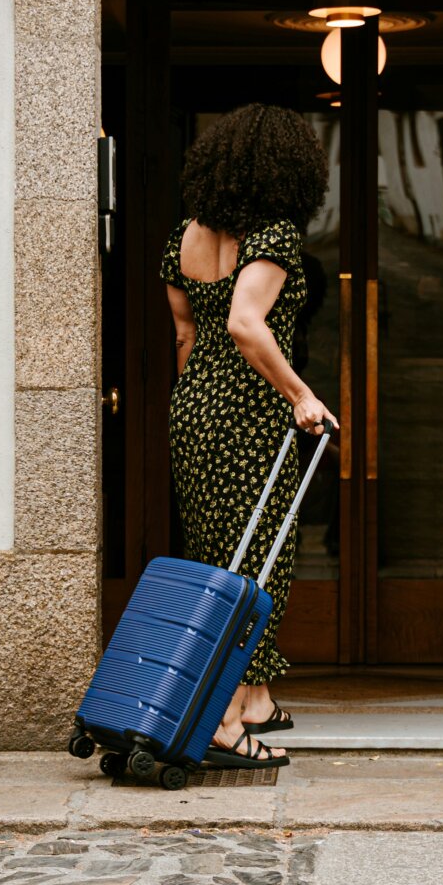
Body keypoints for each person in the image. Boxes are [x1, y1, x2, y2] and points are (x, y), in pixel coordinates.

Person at [161, 103, 335, 770]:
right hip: (250, 413)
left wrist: (193, 405)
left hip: (194, 407)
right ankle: (226, 720)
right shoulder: (276, 236)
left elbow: (186, 335)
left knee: (216, 564)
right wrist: (301, 393)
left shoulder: (184, 237)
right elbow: (245, 321)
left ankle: (239, 706)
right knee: (258, 568)